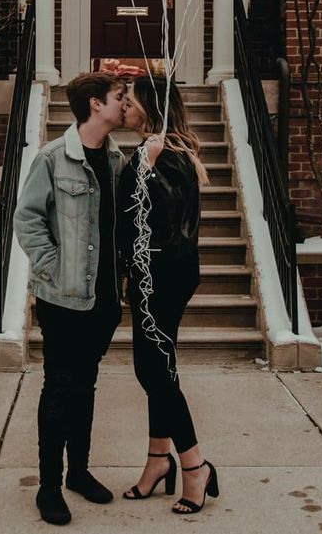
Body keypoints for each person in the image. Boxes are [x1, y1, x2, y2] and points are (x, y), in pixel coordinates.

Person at [14, 72, 127, 526]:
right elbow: (28, 219)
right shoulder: (53, 158)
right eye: (119, 98)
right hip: (63, 299)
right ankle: (48, 486)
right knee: (60, 386)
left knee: (87, 383)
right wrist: (53, 267)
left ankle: (79, 472)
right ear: (96, 104)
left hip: (103, 298)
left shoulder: (119, 161)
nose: (125, 105)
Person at [117, 76, 219, 515]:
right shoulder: (165, 148)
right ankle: (159, 460)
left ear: (149, 107)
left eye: (130, 101)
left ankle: (195, 465)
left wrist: (143, 167)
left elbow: (161, 215)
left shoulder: (166, 152)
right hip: (158, 273)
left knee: (153, 370)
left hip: (161, 274)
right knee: (157, 369)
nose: (124, 108)